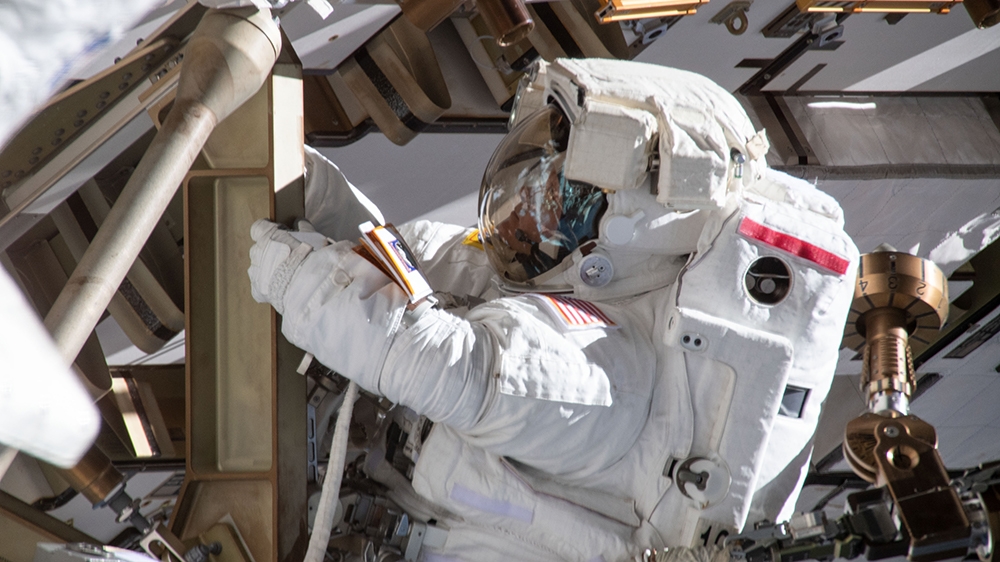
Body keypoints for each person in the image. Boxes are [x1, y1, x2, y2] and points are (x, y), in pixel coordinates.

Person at [247, 58, 859, 561]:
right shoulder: (546, 273)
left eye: (562, 196)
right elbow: (404, 266)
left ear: (625, 236)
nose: (530, 207)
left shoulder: (616, 378)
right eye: (539, 173)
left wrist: (301, 280)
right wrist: (303, 191)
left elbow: (453, 366)